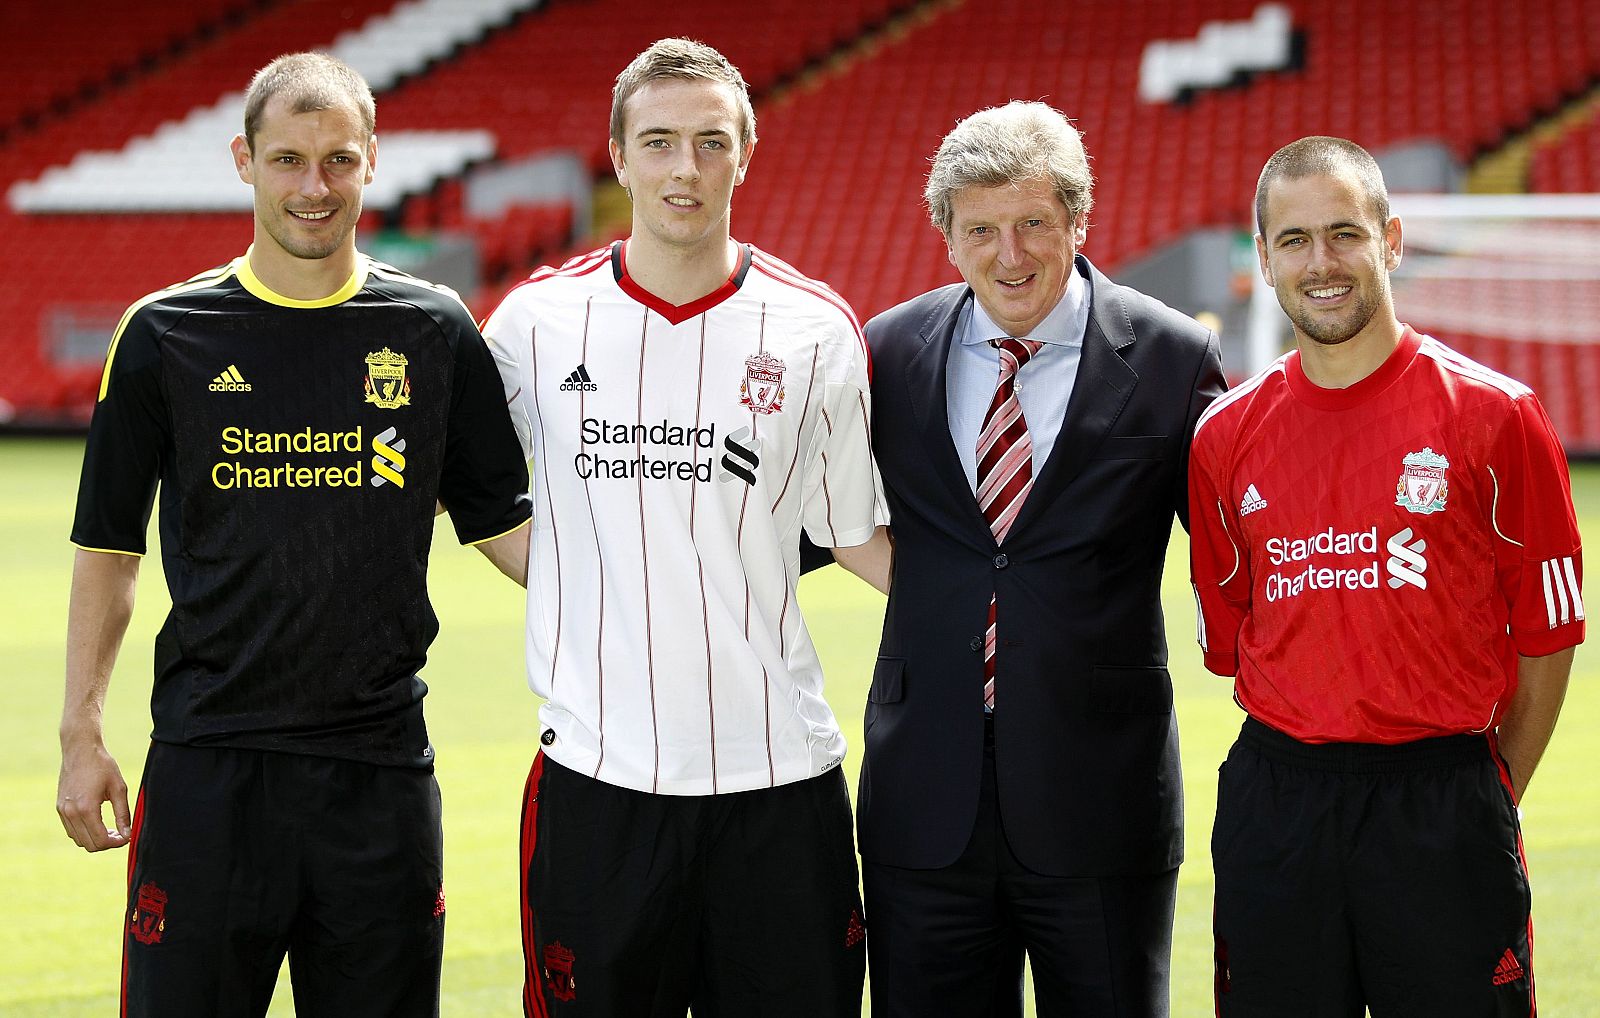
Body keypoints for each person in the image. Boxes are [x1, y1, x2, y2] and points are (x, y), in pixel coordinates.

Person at [57, 52, 531, 1017]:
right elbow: (109, 549)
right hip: (206, 769)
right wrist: (80, 732)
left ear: (371, 164)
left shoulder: (435, 331)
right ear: (244, 160)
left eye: (337, 161)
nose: (314, 188)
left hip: (380, 775)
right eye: (287, 160)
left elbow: (507, 532)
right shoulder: (164, 333)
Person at [480, 37, 888, 1018]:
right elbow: (473, 496)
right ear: (618, 156)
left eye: (710, 142)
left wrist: (1016, 607)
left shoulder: (813, 328)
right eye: (658, 142)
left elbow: (855, 535)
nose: (684, 168)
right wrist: (577, 576)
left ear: (744, 154)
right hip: (599, 782)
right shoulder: (535, 322)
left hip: (778, 783)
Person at [1189, 136, 1583, 1017]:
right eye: (1292, 240)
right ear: (1262, 257)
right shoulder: (1225, 438)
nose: (1320, 263)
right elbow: (1237, 629)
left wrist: (1485, 789)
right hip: (1279, 805)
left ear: (1391, 241)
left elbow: (1550, 636)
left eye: (1344, 233)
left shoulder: (1497, 417)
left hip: (1442, 803)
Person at [852, 101, 1225, 1017]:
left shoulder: (1175, 357)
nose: (1009, 255)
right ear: (946, 236)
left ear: (1078, 221)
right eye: (981, 229)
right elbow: (821, 521)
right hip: (923, 801)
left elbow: (1238, 552)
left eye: (1033, 225)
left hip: (1101, 802)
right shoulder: (887, 351)